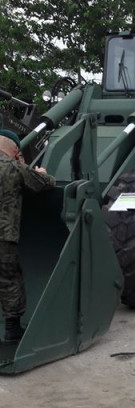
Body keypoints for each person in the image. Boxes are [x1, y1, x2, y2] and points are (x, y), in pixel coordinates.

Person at [0, 130, 56, 343]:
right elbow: (46, 184)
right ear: (14, 150)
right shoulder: (14, 168)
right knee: (9, 280)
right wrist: (42, 173)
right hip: (4, 236)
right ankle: (12, 330)